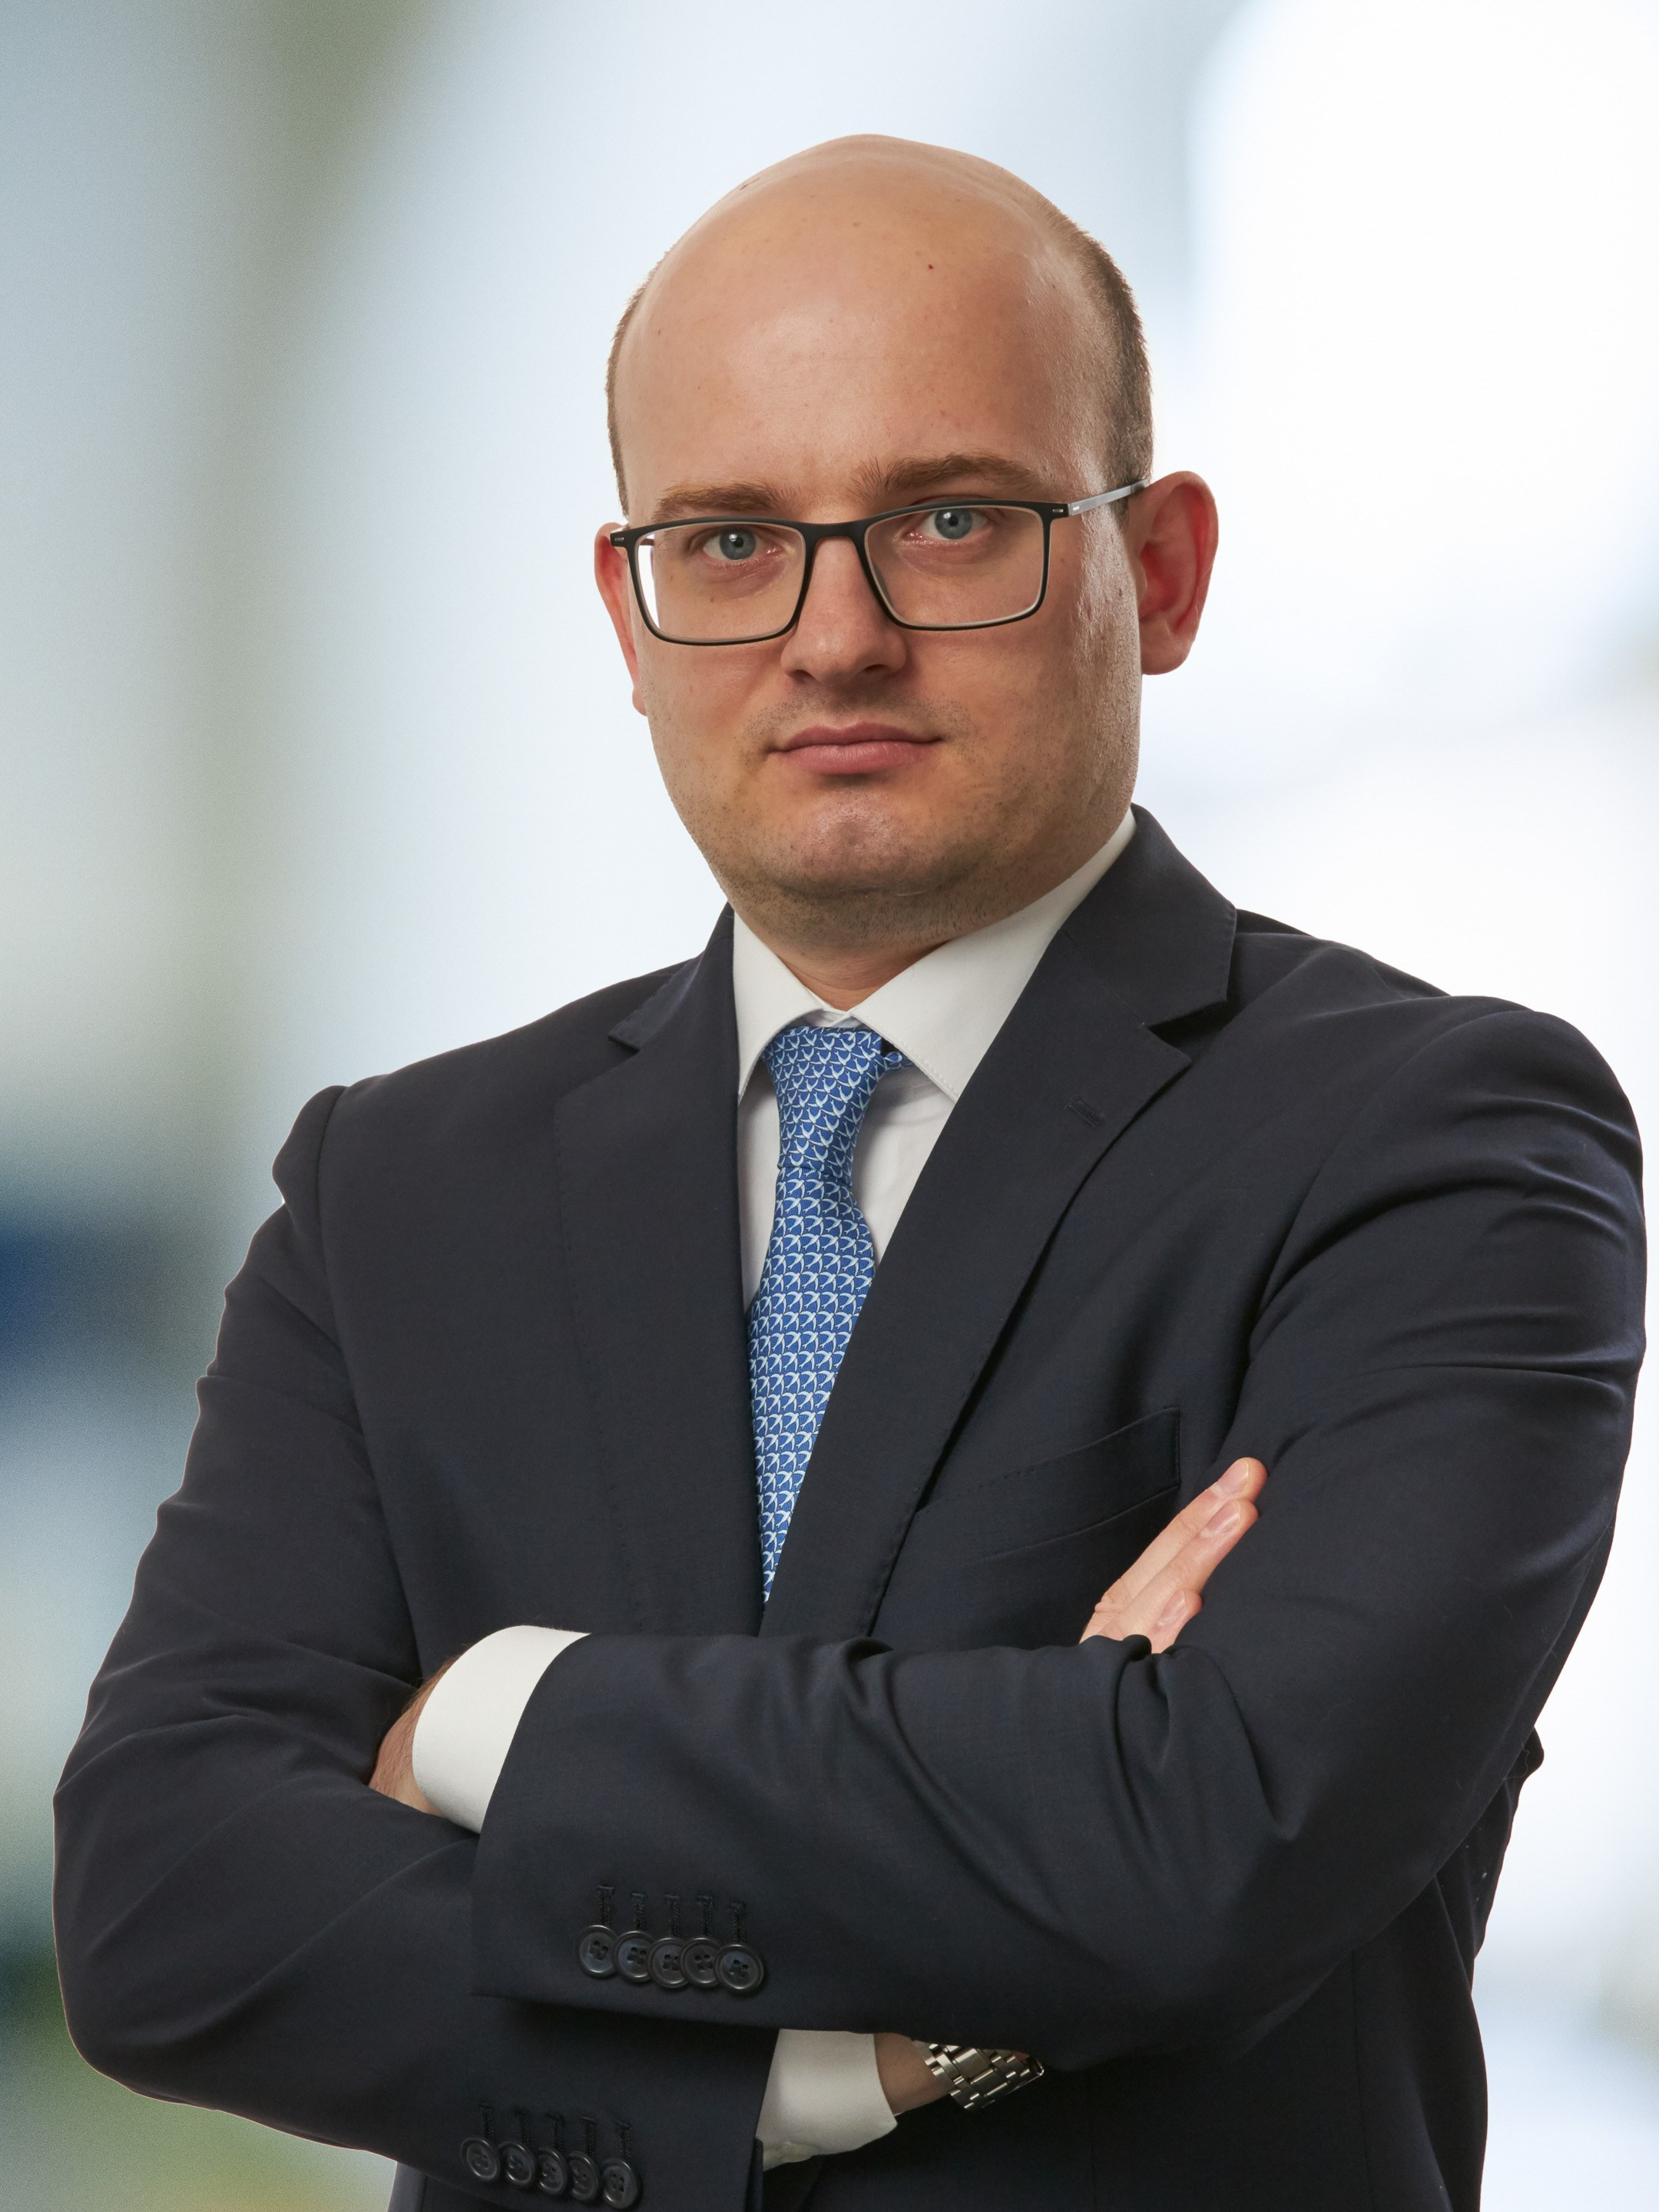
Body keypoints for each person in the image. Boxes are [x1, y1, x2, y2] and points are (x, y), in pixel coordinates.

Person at [55, 135, 1643, 2212]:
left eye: (952, 518)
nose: (834, 637)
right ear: (626, 615)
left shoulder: (1435, 1146)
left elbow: (1212, 1844)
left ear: (1157, 572)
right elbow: (173, 1907)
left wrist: (490, 1717)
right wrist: (843, 2066)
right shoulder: (403, 1191)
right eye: (728, 542)